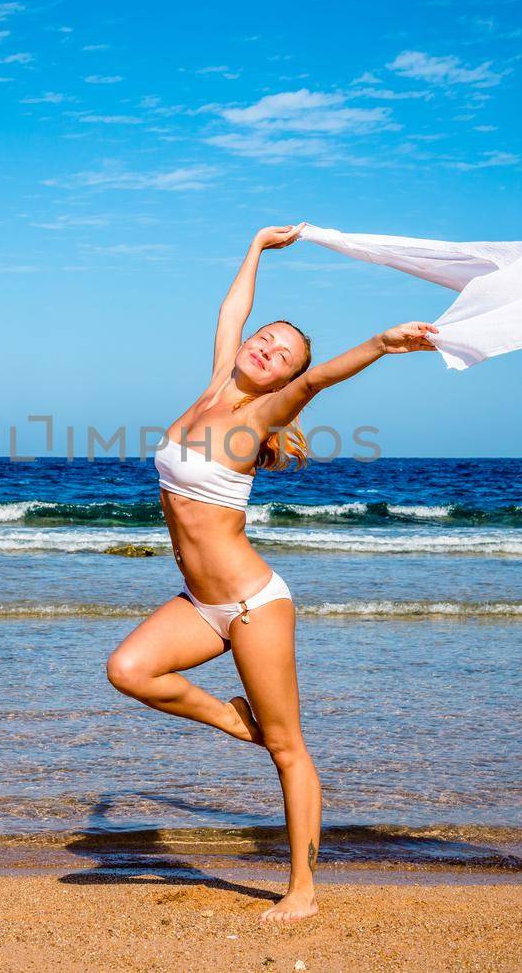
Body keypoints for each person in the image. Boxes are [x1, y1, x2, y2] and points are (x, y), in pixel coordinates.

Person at [105, 223, 439, 922]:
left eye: (281, 353)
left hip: (253, 605)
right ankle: (236, 720)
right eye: (268, 337)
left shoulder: (262, 413)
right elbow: (230, 313)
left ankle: (303, 890)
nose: (267, 348)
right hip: (199, 602)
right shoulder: (215, 384)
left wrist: (381, 344)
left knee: (288, 749)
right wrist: (256, 246)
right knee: (131, 669)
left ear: (283, 378)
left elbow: (320, 378)